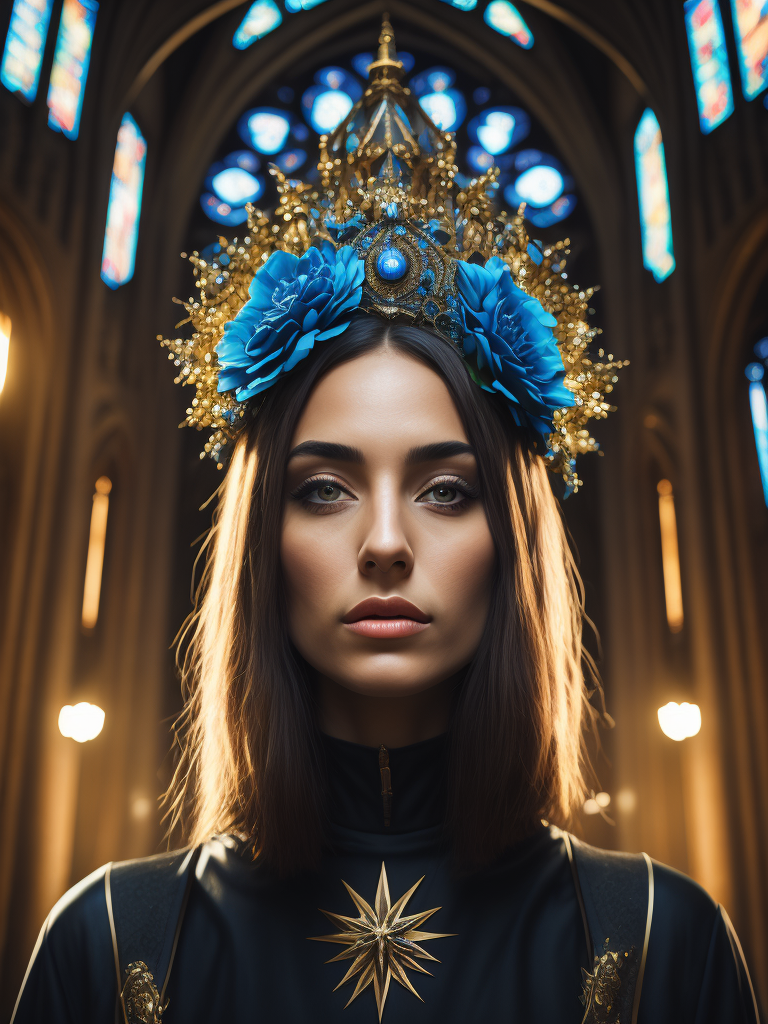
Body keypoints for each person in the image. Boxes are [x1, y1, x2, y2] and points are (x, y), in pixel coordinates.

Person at [12, 18, 759, 1024]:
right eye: (325, 487)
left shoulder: (666, 940)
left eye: (446, 488)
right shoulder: (107, 945)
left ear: (515, 541)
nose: (385, 542)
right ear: (260, 541)